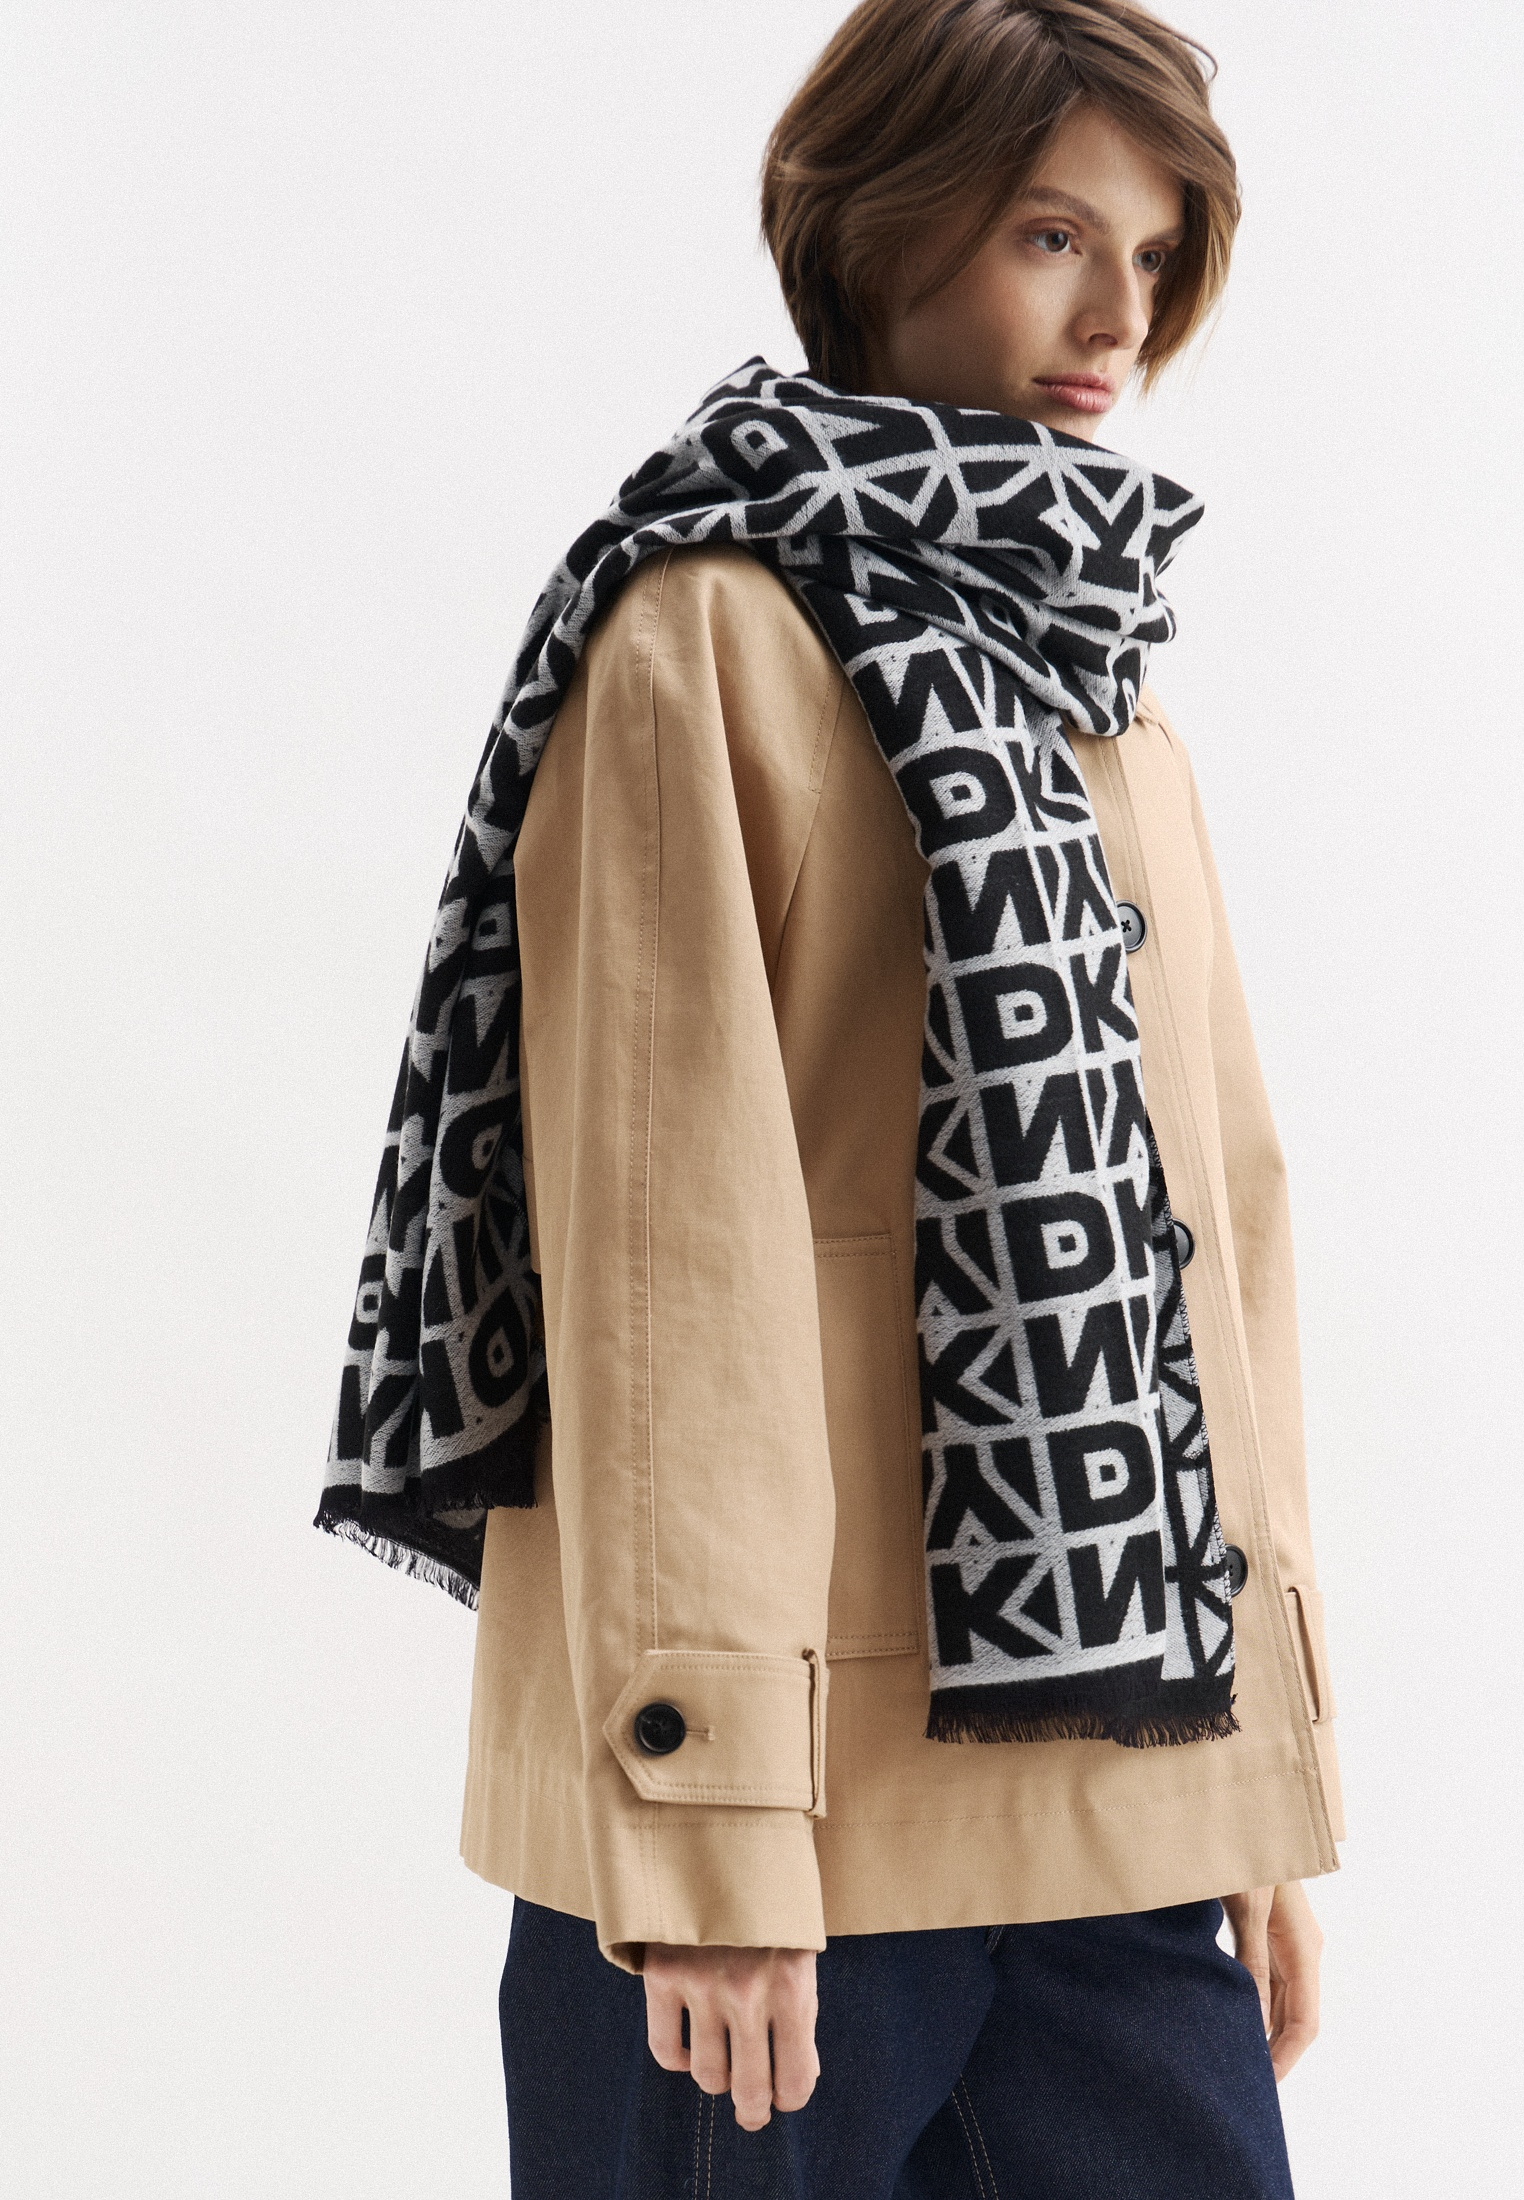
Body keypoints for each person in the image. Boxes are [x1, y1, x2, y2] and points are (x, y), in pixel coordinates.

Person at [317, 2, 1344, 2192]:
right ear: (882, 228)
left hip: (1117, 1798)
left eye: (1155, 256)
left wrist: (1252, 1784)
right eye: (1054, 235)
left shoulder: (1095, 673)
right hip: (778, 1845)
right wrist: (706, 1826)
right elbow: (666, 1266)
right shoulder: (701, 638)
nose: (1117, 315)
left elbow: (1217, 1229)